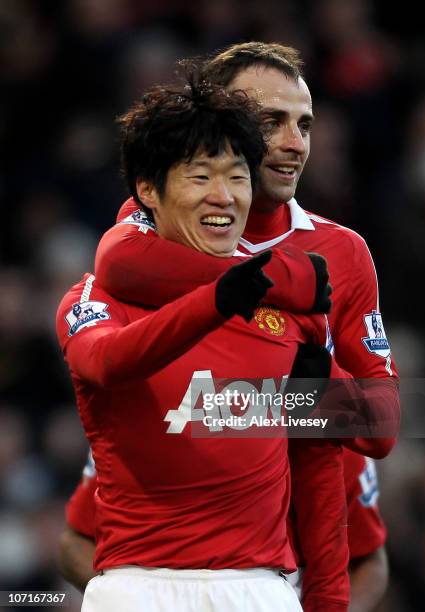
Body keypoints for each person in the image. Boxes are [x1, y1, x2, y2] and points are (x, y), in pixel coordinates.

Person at [56, 72, 348, 612]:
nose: (223, 197)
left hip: (260, 589)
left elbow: (327, 467)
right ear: (147, 188)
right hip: (138, 587)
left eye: (237, 177)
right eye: (199, 176)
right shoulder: (96, 298)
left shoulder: (288, 313)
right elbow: (104, 361)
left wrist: (331, 397)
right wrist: (215, 300)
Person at [94, 42, 400, 460]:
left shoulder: (343, 250)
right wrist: (279, 282)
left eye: (304, 125)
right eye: (272, 121)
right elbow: (116, 260)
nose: (296, 144)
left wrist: (297, 390)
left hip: (305, 512)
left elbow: (382, 424)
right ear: (223, 125)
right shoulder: (167, 222)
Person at [59, 448, 388, 612]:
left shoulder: (337, 442)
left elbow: (370, 561)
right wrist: (135, 592)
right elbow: (74, 540)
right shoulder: (145, 415)